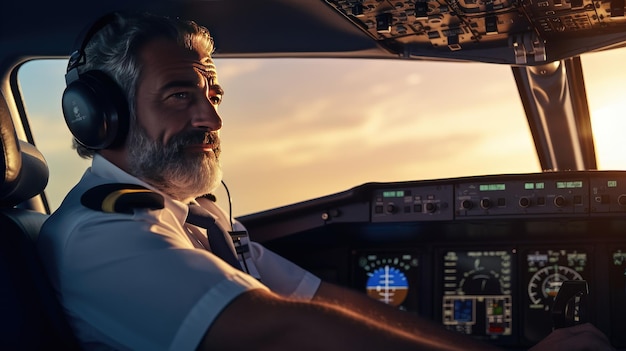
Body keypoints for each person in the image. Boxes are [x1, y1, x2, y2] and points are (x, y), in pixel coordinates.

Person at [37, 11, 614, 351]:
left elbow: (319, 299)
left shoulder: (195, 218)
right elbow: (282, 326)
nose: (210, 118)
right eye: (180, 95)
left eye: (213, 96)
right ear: (101, 115)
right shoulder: (103, 235)